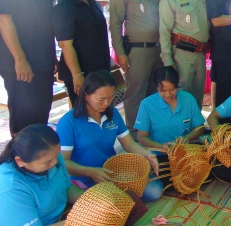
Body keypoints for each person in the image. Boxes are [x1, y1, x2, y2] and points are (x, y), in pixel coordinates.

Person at [0, 124, 151, 226]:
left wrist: (97, 203)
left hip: (61, 218)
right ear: (20, 161)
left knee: (125, 199)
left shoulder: (53, 157)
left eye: (56, 156)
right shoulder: (9, 189)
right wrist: (81, 220)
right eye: (47, 162)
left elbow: (67, 188)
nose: (55, 163)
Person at [56, 70, 163, 202]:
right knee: (109, 205)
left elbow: (129, 143)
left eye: (110, 98)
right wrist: (90, 172)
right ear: (86, 95)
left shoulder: (112, 113)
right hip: (83, 179)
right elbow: (64, 163)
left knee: (154, 191)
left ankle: (121, 198)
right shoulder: (68, 122)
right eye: (101, 99)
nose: (106, 103)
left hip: (111, 173)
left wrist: (147, 154)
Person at [0, 0, 56, 136]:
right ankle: (20, 154)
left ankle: (39, 152)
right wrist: (19, 59)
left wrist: (52, 57)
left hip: (43, 57)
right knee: (23, 111)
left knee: (42, 108)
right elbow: (4, 19)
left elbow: (47, 22)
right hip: (19, 58)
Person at [109, 0, 163, 132]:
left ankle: (151, 131)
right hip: (137, 51)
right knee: (135, 94)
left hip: (158, 49)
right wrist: (121, 53)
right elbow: (115, 23)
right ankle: (133, 134)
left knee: (155, 92)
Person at [52, 0, 110, 106]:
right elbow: (65, 45)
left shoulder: (93, 3)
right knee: (84, 111)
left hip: (99, 69)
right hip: (81, 72)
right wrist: (77, 75)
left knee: (101, 109)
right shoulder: (64, 8)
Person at [159, 0, 210, 108]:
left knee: (197, 97)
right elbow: (164, 31)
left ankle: (196, 123)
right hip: (182, 55)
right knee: (182, 96)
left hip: (201, 54)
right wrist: (168, 61)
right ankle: (183, 124)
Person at [135, 66, 205, 153]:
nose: (168, 95)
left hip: (187, 152)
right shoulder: (146, 105)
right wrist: (161, 147)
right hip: (160, 154)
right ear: (156, 87)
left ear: (177, 85)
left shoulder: (188, 99)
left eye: (172, 89)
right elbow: (141, 137)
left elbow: (200, 127)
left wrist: (186, 138)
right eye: (163, 91)